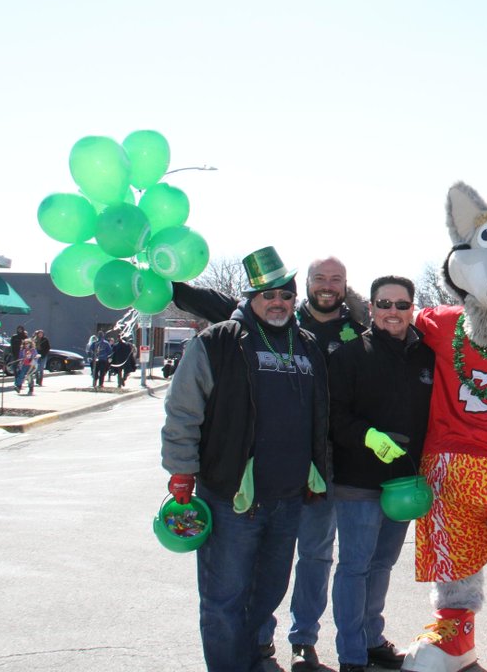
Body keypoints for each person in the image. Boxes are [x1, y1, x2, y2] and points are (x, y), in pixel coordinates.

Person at [172, 255, 368, 670]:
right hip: (232, 498)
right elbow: (183, 412)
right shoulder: (219, 341)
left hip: (289, 499)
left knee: (267, 593)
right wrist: (181, 470)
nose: (277, 302)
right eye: (268, 295)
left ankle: (251, 660)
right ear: (250, 298)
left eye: (285, 295)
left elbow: (319, 414)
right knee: (225, 599)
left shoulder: (307, 344)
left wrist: (316, 472)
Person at [328, 275, 434, 672]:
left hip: (404, 485)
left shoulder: (426, 356)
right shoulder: (350, 355)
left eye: (401, 305)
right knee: (355, 568)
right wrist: (368, 436)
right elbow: (333, 415)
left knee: (382, 566)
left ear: (412, 309)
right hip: (358, 482)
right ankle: (352, 653)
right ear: (371, 308)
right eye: (385, 304)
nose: (393, 311)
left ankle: (372, 639)